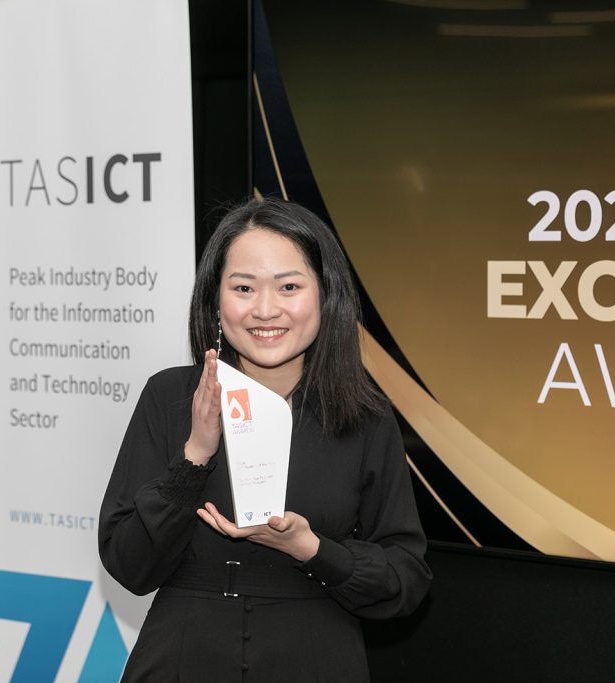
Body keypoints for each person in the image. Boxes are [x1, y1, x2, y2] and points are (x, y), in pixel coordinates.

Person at [99, 197, 431, 681]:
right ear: (215, 299)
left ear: (326, 295)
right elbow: (129, 565)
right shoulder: (170, 396)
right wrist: (195, 456)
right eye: (243, 288)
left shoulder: (365, 416)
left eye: (289, 287)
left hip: (315, 658)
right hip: (181, 659)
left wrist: (311, 548)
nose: (265, 309)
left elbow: (405, 580)